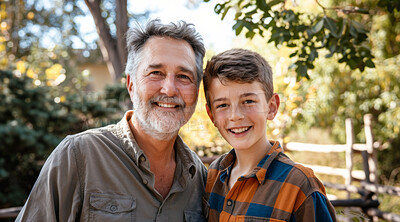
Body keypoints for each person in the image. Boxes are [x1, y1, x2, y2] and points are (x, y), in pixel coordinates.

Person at [16, 19, 207, 221]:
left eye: (184, 76)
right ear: (131, 84)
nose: (169, 89)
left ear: (196, 90)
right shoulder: (77, 156)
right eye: (155, 73)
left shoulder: (201, 179)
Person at [202, 48, 336, 221]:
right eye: (222, 105)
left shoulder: (300, 186)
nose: (235, 115)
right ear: (211, 114)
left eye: (248, 101)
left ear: (271, 107)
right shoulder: (212, 176)